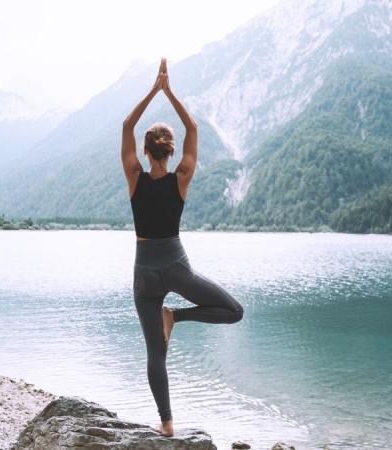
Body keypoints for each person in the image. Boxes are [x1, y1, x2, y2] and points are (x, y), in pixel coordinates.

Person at [120, 57, 245, 437]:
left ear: (145, 151)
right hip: (175, 265)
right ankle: (177, 316)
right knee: (234, 311)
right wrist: (170, 92)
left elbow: (126, 124)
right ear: (172, 152)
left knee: (155, 355)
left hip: (144, 273)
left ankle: (167, 424)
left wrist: (152, 90)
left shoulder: (134, 177)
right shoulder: (182, 178)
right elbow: (192, 125)